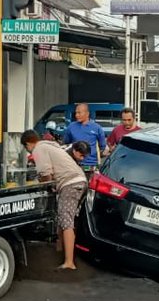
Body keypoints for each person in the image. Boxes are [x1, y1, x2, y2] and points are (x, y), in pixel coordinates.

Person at [22, 130, 89, 270]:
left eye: (26, 148)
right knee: (62, 219)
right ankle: (59, 253)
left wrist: (42, 183)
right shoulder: (51, 145)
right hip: (78, 181)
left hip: (71, 183)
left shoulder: (39, 148)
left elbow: (46, 173)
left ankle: (69, 262)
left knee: (66, 220)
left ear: (28, 144)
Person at [64, 103, 108, 171]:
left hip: (91, 166)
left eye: (79, 113)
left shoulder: (97, 128)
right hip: (74, 165)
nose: (76, 115)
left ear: (87, 114)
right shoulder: (71, 127)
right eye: (76, 113)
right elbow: (66, 143)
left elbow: (102, 146)